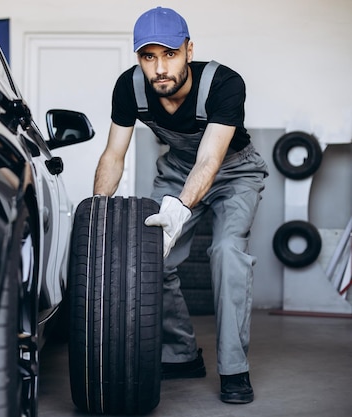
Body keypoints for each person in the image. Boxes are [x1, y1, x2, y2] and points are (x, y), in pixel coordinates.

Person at [92, 6, 268, 404]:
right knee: (153, 258)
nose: (159, 69)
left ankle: (234, 369)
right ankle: (181, 353)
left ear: (189, 50)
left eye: (169, 54)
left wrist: (179, 210)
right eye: (148, 56)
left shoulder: (224, 83)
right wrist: (99, 211)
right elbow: (113, 156)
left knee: (226, 253)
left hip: (233, 172)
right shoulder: (129, 87)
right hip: (176, 170)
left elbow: (210, 160)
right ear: (138, 58)